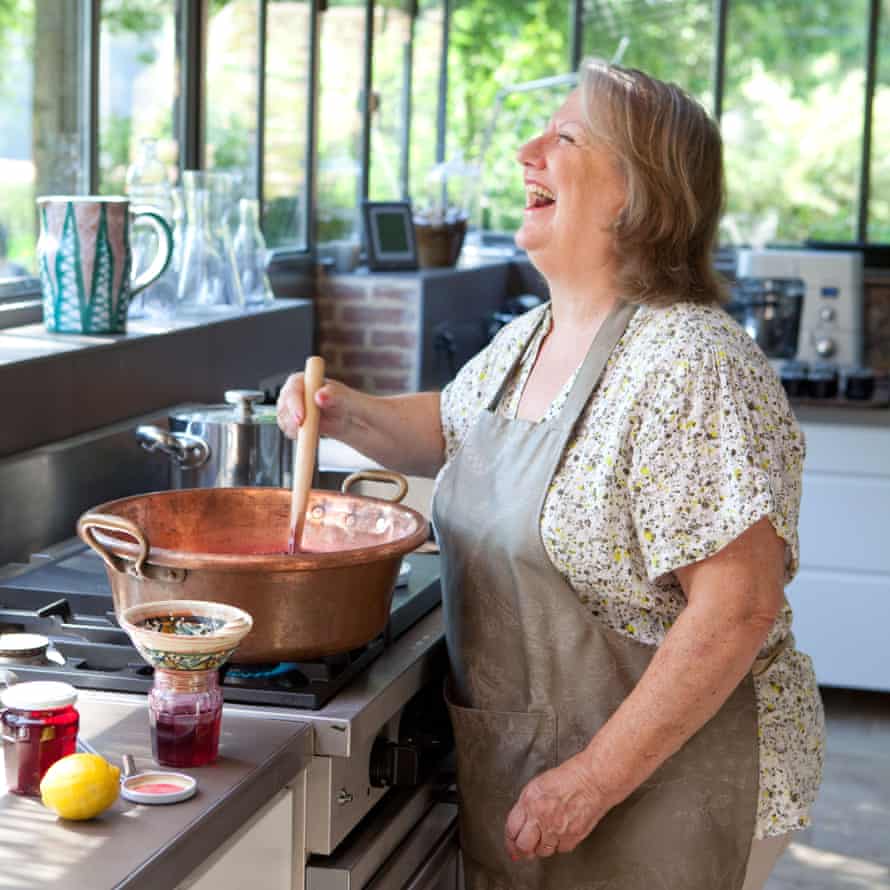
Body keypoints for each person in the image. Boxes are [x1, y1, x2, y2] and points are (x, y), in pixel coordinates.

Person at [278, 58, 825, 890]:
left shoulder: (692, 363)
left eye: (565, 136)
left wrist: (594, 779)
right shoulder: (536, 333)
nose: (529, 150)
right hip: (552, 754)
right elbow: (455, 428)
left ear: (636, 194)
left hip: (671, 775)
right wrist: (347, 411)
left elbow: (739, 606)